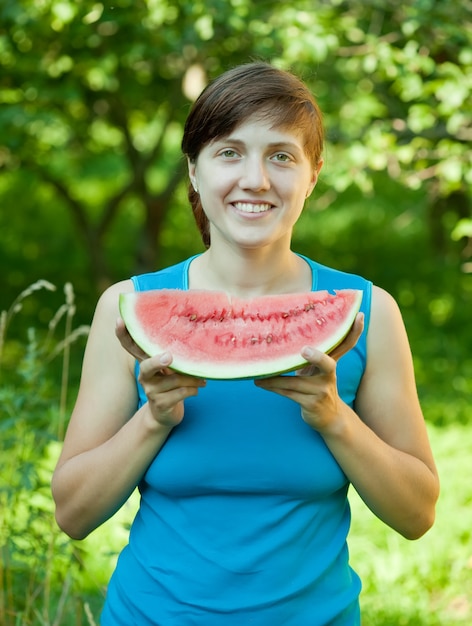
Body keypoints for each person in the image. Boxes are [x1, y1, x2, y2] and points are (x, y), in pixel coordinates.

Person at [51, 62, 439, 625]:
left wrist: (334, 417)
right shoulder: (128, 309)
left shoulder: (367, 312)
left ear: (313, 174)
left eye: (281, 156)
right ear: (194, 170)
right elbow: (73, 514)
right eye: (229, 152)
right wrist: (153, 419)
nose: (255, 178)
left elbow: (417, 514)